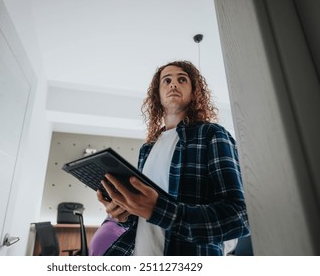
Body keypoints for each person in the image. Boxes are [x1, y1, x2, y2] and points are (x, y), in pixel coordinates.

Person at [97, 60, 250, 256]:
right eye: (167, 80)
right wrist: (124, 213)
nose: (174, 84)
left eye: (182, 79)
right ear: (157, 96)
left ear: (195, 92)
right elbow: (145, 221)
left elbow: (239, 217)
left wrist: (160, 210)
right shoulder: (147, 149)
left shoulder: (212, 134)